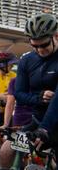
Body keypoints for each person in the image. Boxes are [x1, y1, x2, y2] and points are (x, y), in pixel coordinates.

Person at [15, 14, 58, 152]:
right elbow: (19, 94)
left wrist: (44, 128)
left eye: (44, 45)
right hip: (38, 120)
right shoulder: (26, 60)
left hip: (50, 122)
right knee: (6, 151)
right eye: (35, 46)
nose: (40, 50)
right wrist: (38, 98)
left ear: (55, 36)